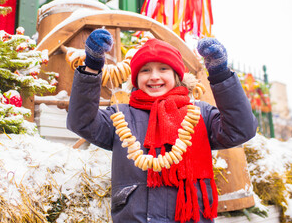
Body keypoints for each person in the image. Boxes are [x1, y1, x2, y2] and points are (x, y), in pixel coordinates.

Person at [67, 29, 258, 223]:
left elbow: (240, 129)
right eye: (145, 70)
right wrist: (92, 67)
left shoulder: (200, 114)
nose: (154, 77)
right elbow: (82, 122)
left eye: (163, 69)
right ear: (136, 78)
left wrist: (220, 73)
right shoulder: (120, 116)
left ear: (177, 75)